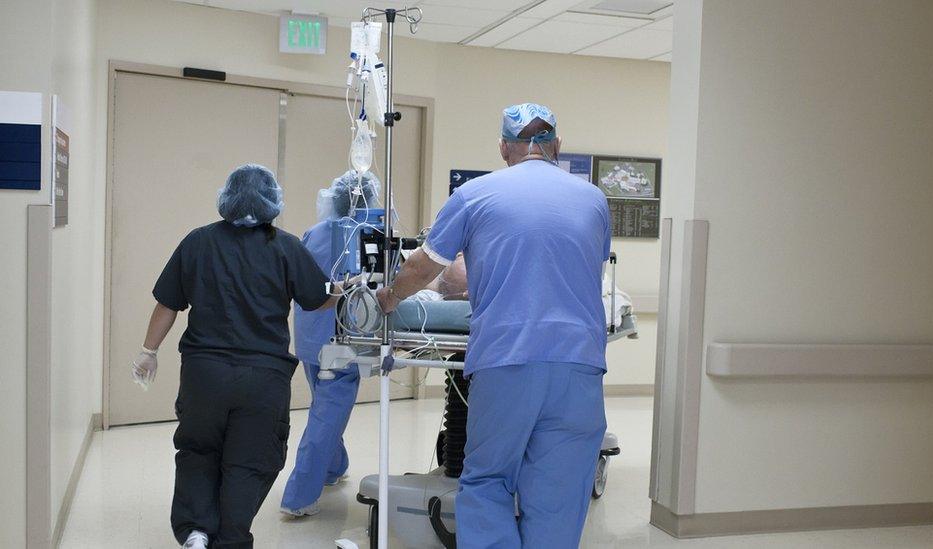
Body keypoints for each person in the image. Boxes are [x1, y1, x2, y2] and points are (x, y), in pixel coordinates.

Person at [377, 103, 611, 548]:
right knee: (559, 494)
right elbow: (586, 269)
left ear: (505, 147)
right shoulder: (594, 199)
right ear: (557, 146)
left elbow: (425, 267)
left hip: (507, 360)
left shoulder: (475, 195)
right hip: (579, 365)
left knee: (487, 481)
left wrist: (389, 296)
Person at [130, 164, 344, 549]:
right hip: (262, 378)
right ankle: (231, 537)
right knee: (249, 460)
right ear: (272, 202)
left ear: (225, 198)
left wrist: (149, 351)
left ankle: (196, 531)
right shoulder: (286, 247)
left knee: (198, 450)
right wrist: (341, 289)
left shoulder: (197, 242)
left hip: (204, 375)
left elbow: (168, 303)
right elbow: (317, 301)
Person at [280, 170, 381, 517]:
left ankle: (334, 468)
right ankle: (298, 497)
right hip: (344, 342)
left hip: (310, 337)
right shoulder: (372, 235)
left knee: (325, 407)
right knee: (325, 416)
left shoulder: (315, 232)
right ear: (370, 200)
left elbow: (303, 280)